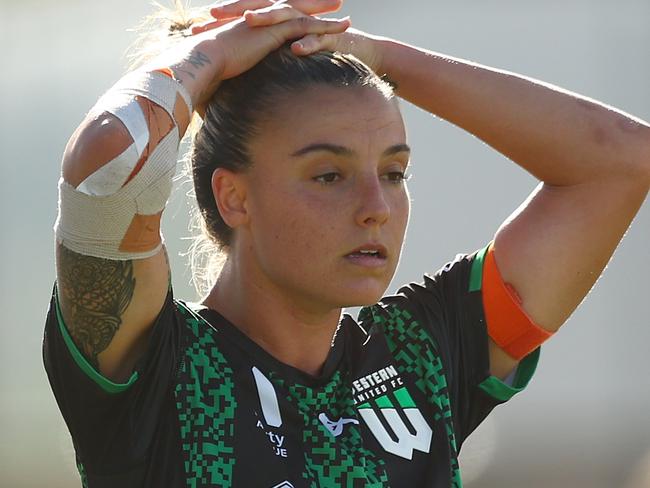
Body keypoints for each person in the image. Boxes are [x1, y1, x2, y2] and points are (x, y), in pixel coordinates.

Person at [42, 1, 650, 486]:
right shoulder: (159, 364)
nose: (376, 209)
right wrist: (210, 54)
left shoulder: (423, 353)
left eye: (393, 173)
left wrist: (375, 55)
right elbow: (108, 164)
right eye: (328, 175)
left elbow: (621, 162)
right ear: (234, 197)